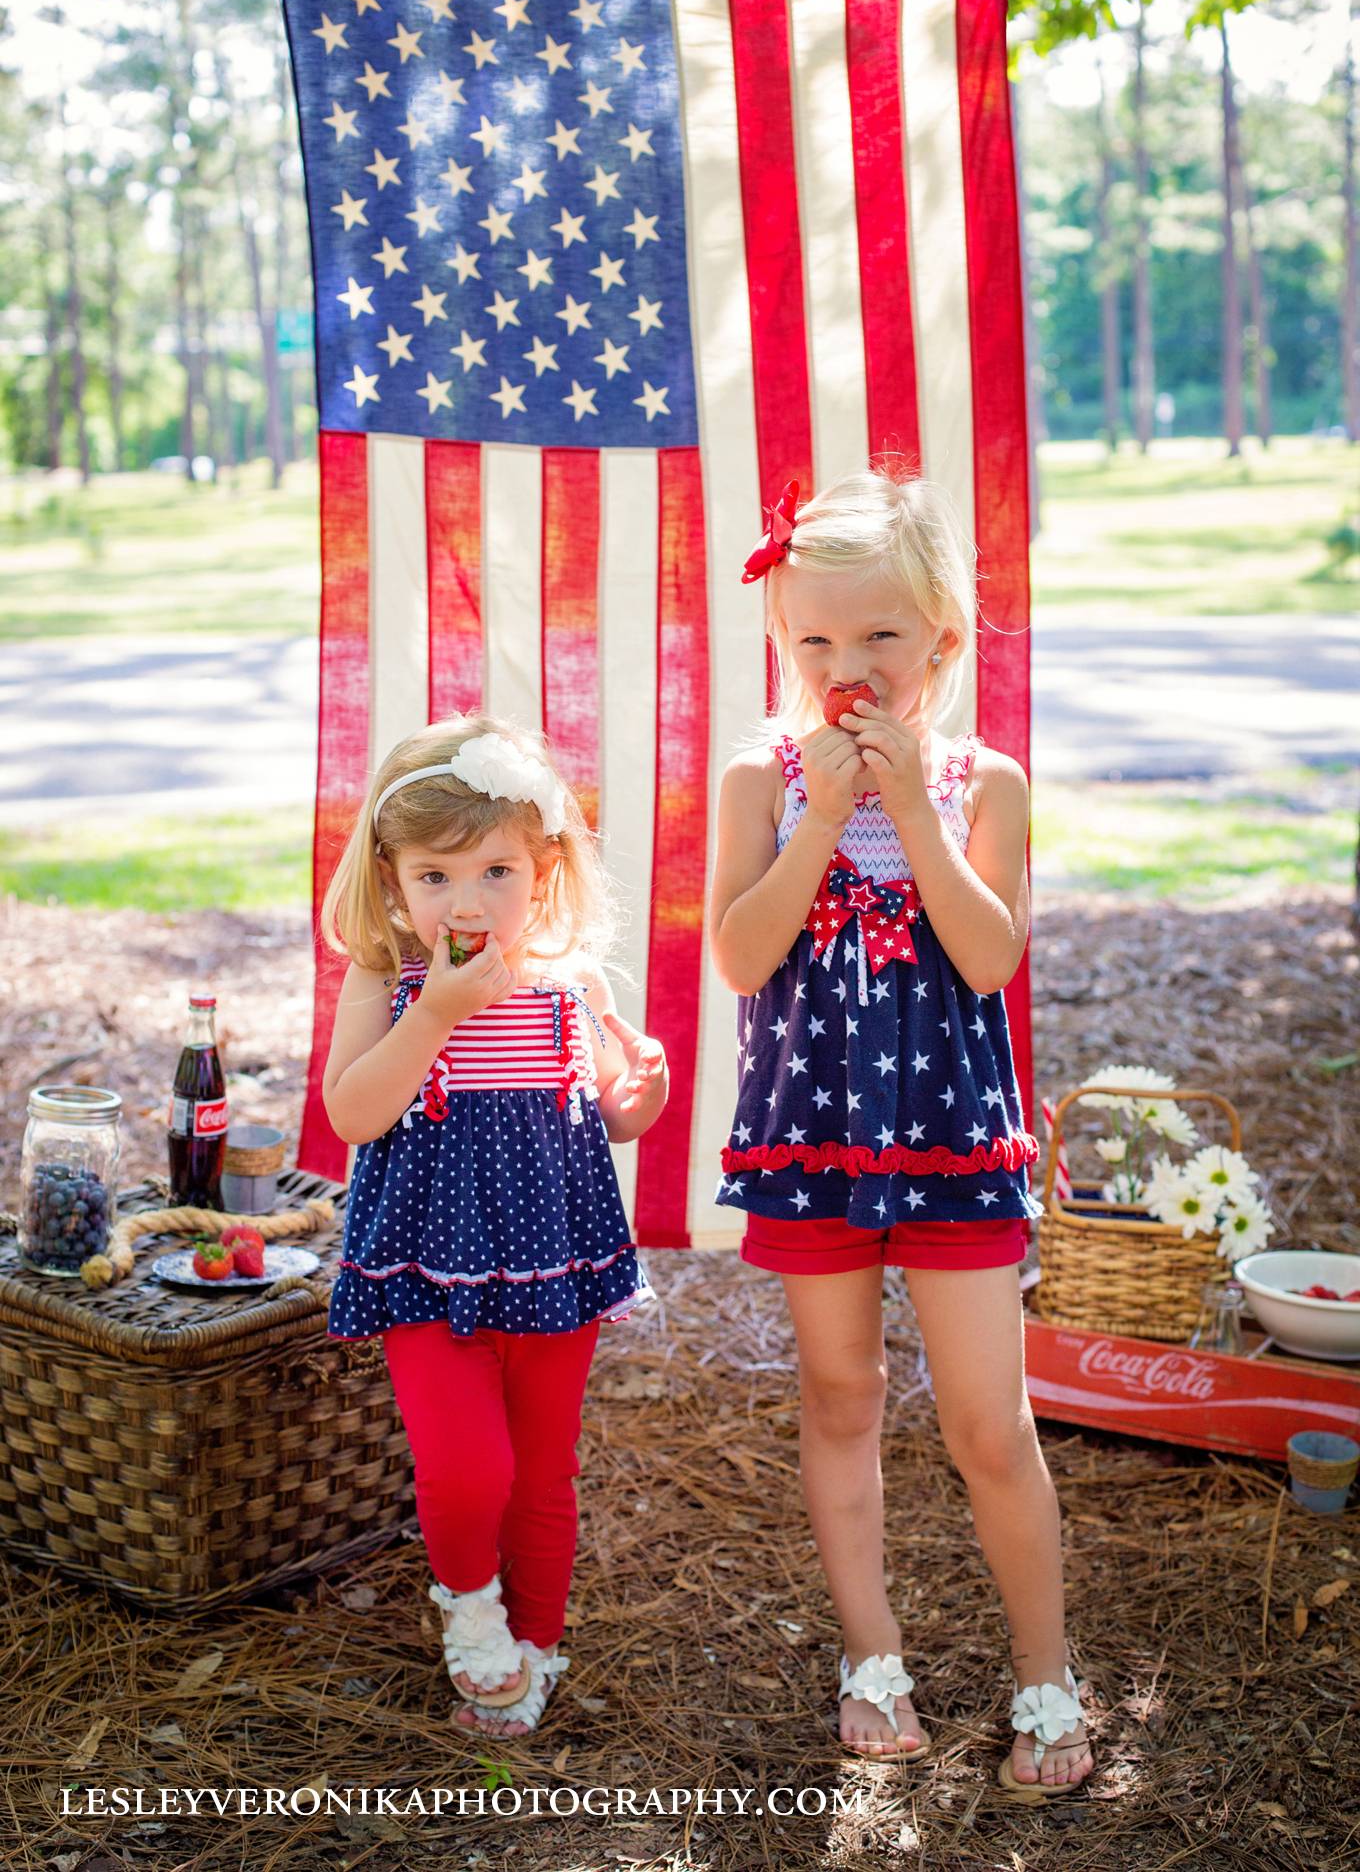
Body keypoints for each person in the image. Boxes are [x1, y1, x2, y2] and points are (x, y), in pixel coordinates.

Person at [709, 470, 1094, 1795]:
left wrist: (916, 814)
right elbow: (743, 958)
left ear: (941, 640)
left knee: (992, 1423)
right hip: (812, 1145)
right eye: (815, 641)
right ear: (784, 646)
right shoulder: (763, 779)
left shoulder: (987, 780)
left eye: (878, 636)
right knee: (842, 1396)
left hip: (951, 1143)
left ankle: (1045, 1670)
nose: (846, 667)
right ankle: (872, 1655)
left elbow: (989, 960)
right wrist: (822, 813)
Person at [320, 715, 667, 1739]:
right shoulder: (391, 984)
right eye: (435, 877)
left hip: (551, 1255)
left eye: (495, 873)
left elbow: (613, 1111)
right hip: (427, 1256)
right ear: (392, 879)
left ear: (546, 869)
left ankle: (538, 1639)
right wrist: (432, 1018)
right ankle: (471, 1612)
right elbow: (353, 1113)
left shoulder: (571, 985)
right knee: (468, 1462)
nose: (465, 904)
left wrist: (638, 1092)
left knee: (543, 1462)